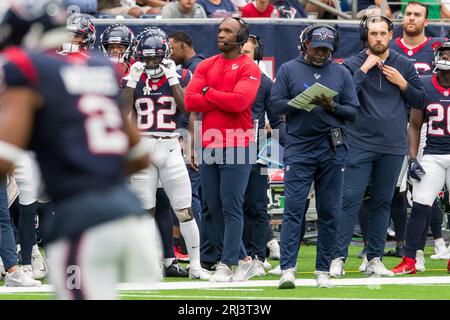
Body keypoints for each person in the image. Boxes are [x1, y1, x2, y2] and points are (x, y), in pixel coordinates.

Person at [0, 0, 162, 299]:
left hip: (81, 218)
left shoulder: (30, 68)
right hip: (129, 214)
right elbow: (139, 157)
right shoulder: (99, 67)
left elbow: (5, 156)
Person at [330, 15, 425, 278]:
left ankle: (375, 258)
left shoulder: (404, 64)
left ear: (391, 35)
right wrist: (362, 71)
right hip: (358, 143)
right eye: (373, 34)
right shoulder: (351, 64)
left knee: (383, 202)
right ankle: (337, 257)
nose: (378, 38)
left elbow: (421, 99)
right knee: (349, 200)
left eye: (383, 33)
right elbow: (338, 97)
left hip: (393, 145)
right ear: (366, 36)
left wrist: (402, 83)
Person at [269, 24, 359, 289]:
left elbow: (353, 112)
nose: (322, 53)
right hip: (299, 147)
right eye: (318, 48)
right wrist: (299, 101)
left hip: (332, 147)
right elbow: (274, 106)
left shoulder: (341, 72)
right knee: (294, 209)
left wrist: (332, 105)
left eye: (327, 49)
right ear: (306, 44)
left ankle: (323, 270)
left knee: (329, 211)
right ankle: (288, 269)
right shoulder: (288, 69)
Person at [122, 27, 211, 280]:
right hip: (143, 147)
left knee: (184, 210)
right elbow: (122, 113)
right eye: (146, 57)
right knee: (144, 213)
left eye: (155, 57)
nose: (150, 62)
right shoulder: (134, 76)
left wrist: (172, 79)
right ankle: (147, 264)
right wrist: (131, 80)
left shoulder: (181, 75)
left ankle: (195, 265)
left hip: (171, 145)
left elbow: (187, 107)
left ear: (165, 55)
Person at [184, 17, 261, 282]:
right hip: (210, 143)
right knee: (213, 206)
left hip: (239, 143)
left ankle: (228, 263)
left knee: (231, 205)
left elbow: (240, 102)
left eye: (228, 31)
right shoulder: (207, 65)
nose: (221, 35)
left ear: (241, 38)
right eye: (220, 30)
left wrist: (208, 91)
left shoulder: (249, 66)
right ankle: (244, 259)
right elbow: (189, 99)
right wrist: (215, 95)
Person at [388, 1, 448, 265]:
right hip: (428, 148)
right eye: (444, 55)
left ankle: (436, 248)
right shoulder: (425, 84)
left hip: (437, 144)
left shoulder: (430, 54)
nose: (446, 59)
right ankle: (411, 257)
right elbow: (415, 123)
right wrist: (414, 158)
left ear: (426, 20)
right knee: (418, 199)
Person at [240, 34, 286, 276]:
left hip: (256, 152)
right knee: (230, 205)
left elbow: (277, 120)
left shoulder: (265, 82)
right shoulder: (224, 76)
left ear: (256, 56)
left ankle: (257, 256)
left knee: (257, 205)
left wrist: (274, 158)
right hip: (227, 149)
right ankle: (235, 255)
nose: (242, 56)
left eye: (247, 52)